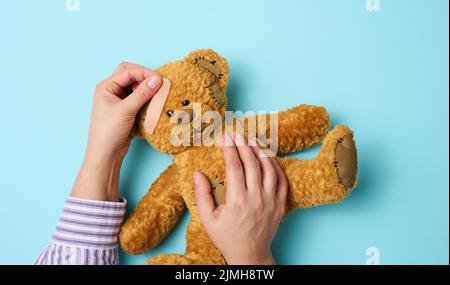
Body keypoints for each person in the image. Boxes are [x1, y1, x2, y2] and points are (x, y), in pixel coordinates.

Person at [34, 62, 288, 265]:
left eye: (187, 103)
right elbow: (153, 212)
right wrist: (251, 257)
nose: (184, 115)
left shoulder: (236, 127)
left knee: (307, 179)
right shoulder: (180, 169)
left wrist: (103, 151)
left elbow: (74, 258)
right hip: (222, 239)